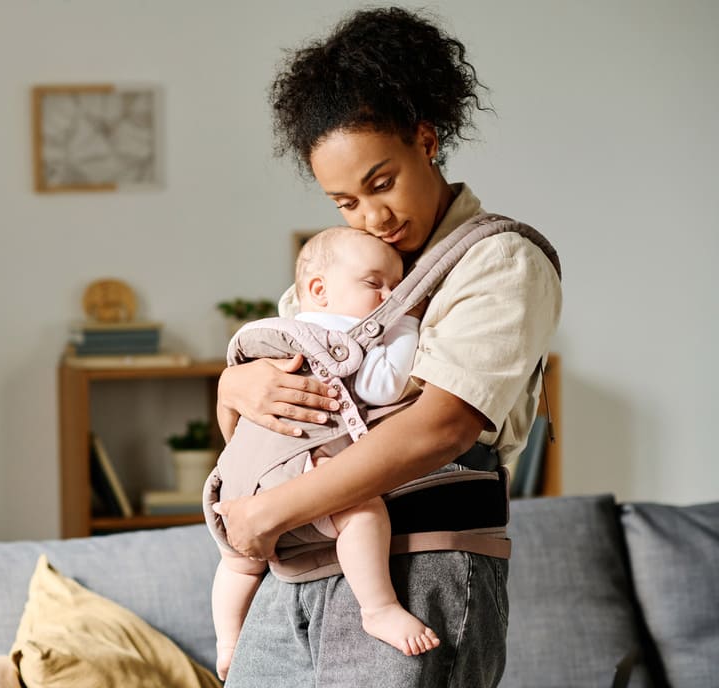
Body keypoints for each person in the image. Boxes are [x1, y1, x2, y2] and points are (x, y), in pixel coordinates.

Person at [211, 6, 562, 687]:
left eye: (381, 183)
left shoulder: (500, 260)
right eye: (345, 202)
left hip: (420, 563)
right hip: (297, 567)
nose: (373, 217)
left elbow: (444, 424)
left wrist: (268, 514)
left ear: (426, 141)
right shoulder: (338, 271)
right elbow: (263, 407)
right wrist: (234, 388)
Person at [211, 226, 435, 680]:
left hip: (232, 480)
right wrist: (408, 321)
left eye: (396, 287)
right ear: (318, 290)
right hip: (299, 467)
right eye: (376, 284)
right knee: (364, 511)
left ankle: (228, 640)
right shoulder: (344, 340)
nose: (389, 297)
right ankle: (380, 607)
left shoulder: (270, 336)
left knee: (237, 565)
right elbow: (383, 384)